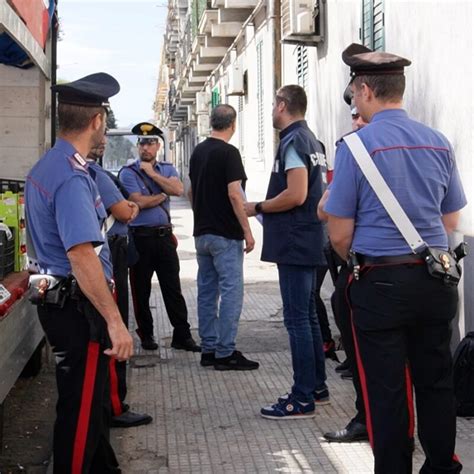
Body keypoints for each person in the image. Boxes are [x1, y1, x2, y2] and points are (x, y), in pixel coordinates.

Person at [324, 43, 466, 473]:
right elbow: (451, 217)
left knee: (386, 390)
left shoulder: (356, 146)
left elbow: (340, 232)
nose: (353, 100)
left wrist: (362, 261)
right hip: (435, 281)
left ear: (366, 90)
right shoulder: (438, 142)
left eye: (352, 93)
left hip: (380, 283)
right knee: (436, 382)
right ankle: (442, 465)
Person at [25, 73, 133, 473]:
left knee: (90, 402)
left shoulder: (52, 165)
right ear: (97, 120)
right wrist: (115, 321)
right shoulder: (71, 176)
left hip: (64, 302)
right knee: (81, 411)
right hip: (78, 307)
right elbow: (82, 256)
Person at [245, 85, 328, 419]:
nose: (272, 111)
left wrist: (258, 206)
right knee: (308, 316)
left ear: (281, 105)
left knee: (297, 320)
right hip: (309, 238)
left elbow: (296, 194)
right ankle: (317, 386)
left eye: (273, 105)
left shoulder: (293, 142)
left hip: (295, 240)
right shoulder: (314, 141)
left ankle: (302, 397)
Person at [87, 138, 153, 428]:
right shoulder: (96, 174)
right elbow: (127, 210)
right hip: (110, 254)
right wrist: (131, 207)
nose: (102, 142)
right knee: (115, 328)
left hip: (105, 254)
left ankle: (109, 402)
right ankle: (115, 405)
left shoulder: (75, 172)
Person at [188, 104, 259, 371]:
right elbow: (234, 193)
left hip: (202, 234)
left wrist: (201, 214)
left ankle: (208, 349)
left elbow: (190, 191)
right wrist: (248, 232)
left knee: (207, 292)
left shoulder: (198, 152)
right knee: (231, 292)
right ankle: (225, 352)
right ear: (233, 124)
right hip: (226, 236)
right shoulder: (229, 153)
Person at [119, 122, 200, 352]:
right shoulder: (128, 172)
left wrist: (153, 174)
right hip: (140, 239)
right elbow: (139, 202)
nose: (146, 147)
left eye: (151, 142)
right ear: (138, 146)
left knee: (172, 288)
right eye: (142, 143)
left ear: (158, 146)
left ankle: (182, 335)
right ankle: (146, 335)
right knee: (141, 290)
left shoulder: (166, 168)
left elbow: (178, 189)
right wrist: (162, 193)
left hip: (164, 239)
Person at [318, 89, 369, 443]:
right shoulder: (427, 142)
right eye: (352, 115)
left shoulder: (354, 150)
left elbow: (328, 213)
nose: (355, 120)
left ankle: (369, 421)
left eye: (358, 112)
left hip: (366, 268)